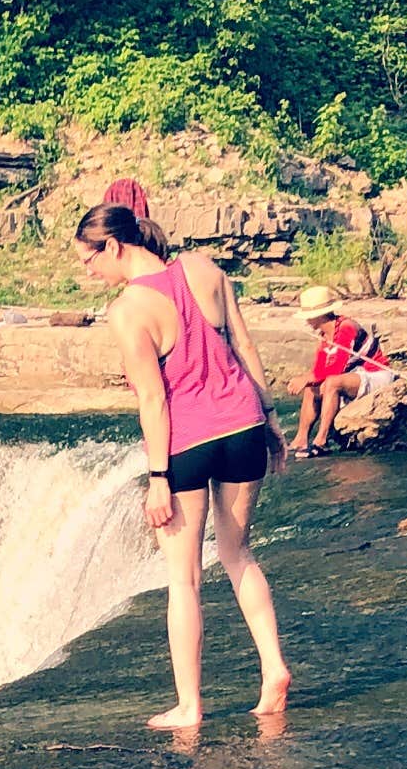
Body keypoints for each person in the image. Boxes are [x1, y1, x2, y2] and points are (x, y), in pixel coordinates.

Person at [75, 198, 292, 732]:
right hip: (243, 425)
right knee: (239, 554)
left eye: (89, 259)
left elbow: (152, 398)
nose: (88, 271)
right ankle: (274, 667)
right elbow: (242, 344)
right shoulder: (202, 269)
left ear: (115, 246)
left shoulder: (127, 310)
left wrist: (157, 479)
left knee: (185, 577)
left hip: (188, 443)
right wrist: (270, 420)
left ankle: (189, 705)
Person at [290, 285, 389, 454]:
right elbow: (320, 368)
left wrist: (307, 377)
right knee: (312, 388)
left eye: (309, 317)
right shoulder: (324, 336)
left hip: (376, 374)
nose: (307, 321)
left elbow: (336, 368)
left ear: (319, 316)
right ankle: (301, 438)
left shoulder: (346, 327)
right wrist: (308, 380)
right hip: (355, 375)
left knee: (332, 383)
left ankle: (321, 439)